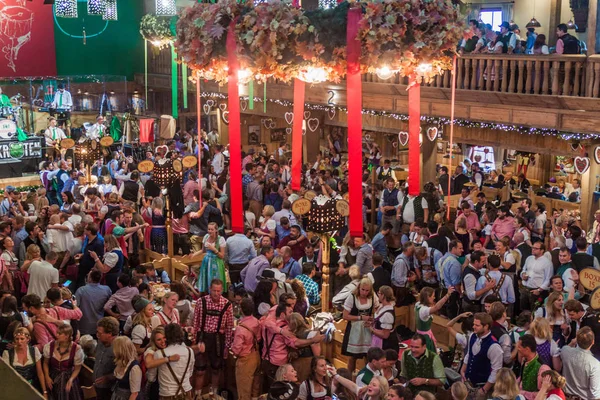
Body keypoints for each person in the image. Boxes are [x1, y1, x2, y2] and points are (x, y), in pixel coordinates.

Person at [192, 278, 234, 395]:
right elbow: (195, 324)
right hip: (203, 338)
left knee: (216, 369)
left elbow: (229, 327)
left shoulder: (227, 304)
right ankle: (197, 395)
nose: (216, 293)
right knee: (200, 370)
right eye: (214, 290)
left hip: (217, 340)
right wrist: (195, 342)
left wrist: (226, 346)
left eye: (219, 291)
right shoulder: (201, 302)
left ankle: (213, 395)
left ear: (222, 290)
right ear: (210, 289)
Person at [460, 313, 503, 397]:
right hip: (468, 382)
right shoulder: (473, 336)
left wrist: (484, 389)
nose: (473, 327)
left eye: (477, 325)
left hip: (482, 386)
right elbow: (469, 354)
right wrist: (462, 370)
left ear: (486, 326)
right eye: (474, 324)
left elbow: (496, 371)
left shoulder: (494, 346)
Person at [342, 278, 378, 373]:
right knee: (352, 357)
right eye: (363, 289)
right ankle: (349, 379)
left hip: (367, 330)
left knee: (369, 356)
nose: (364, 292)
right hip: (354, 330)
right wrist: (360, 318)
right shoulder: (352, 297)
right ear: (359, 288)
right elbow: (345, 316)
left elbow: (378, 311)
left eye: (367, 290)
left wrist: (373, 319)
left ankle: (367, 379)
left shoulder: (373, 297)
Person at [42, 324, 84, 400]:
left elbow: (77, 368)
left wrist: (71, 379)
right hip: (53, 377)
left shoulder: (76, 349)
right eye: (57, 332)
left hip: (68, 377)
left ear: (67, 336)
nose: (56, 335)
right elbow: (45, 363)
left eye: (59, 333)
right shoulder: (50, 346)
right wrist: (47, 377)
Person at [154, 323, 195, 400]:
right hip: (186, 391)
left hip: (167, 394)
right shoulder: (190, 351)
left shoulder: (159, 354)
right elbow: (190, 372)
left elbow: (151, 377)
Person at [232, 298, 261, 400]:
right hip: (256, 356)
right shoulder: (257, 322)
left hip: (245, 360)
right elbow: (259, 338)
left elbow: (236, 349)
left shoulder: (241, 328)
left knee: (244, 391)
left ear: (241, 309)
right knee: (255, 389)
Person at [2, 327, 46, 395]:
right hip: (16, 389)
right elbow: (6, 376)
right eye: (17, 339)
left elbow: (40, 373)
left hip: (33, 388)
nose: (19, 341)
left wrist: (45, 392)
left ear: (28, 339)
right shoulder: (7, 354)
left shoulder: (34, 351)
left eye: (22, 339)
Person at [560, 326, 600, 399]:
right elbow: (596, 394)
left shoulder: (565, 351)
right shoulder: (595, 364)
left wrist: (572, 343)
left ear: (577, 340)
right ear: (593, 342)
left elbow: (564, 348)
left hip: (564, 396)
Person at [415, 286, 453, 352]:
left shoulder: (418, 304)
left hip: (419, 335)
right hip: (424, 339)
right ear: (428, 298)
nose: (434, 298)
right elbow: (436, 307)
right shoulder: (424, 310)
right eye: (433, 296)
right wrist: (447, 295)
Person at [75, 269, 112, 336]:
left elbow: (75, 307)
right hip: (100, 325)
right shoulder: (107, 290)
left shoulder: (81, 290)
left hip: (84, 326)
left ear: (90, 278)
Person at [194, 222, 226, 294]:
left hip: (216, 263)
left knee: (215, 281)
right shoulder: (206, 237)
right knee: (206, 281)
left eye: (212, 229)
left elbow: (222, 256)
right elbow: (202, 250)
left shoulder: (220, 239)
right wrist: (194, 255)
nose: (210, 231)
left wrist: (214, 250)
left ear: (216, 230)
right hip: (206, 262)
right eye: (209, 229)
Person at [520, 242, 553, 312]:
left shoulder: (547, 263)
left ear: (542, 250)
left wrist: (539, 290)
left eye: (536, 248)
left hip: (537, 290)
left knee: (535, 311)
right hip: (526, 288)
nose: (533, 250)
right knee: (524, 310)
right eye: (532, 248)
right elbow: (524, 269)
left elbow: (548, 278)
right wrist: (523, 274)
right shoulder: (529, 258)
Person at [94, 317, 119, 400]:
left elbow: (124, 370)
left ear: (110, 334)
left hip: (110, 389)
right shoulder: (100, 341)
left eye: (100, 333)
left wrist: (108, 377)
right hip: (97, 386)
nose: (97, 335)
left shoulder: (119, 347)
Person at [370, 286, 397, 351]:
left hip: (385, 346)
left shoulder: (388, 314)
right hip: (378, 341)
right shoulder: (381, 306)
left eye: (379, 293)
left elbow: (385, 335)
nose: (378, 295)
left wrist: (371, 330)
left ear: (383, 295)